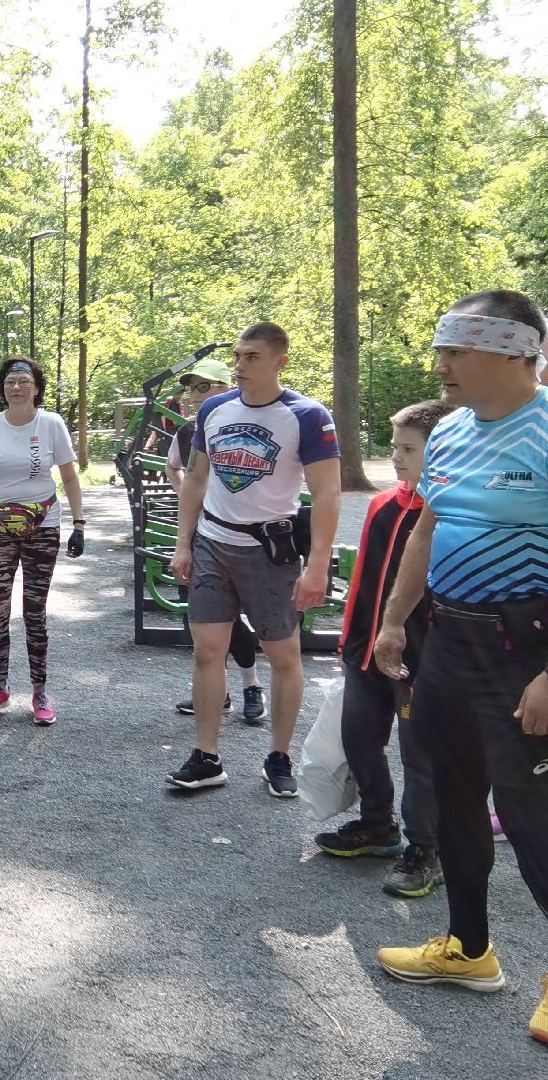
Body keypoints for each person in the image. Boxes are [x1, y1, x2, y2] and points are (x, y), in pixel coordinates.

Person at [371, 291, 548, 1045]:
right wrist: (393, 621)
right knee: (452, 800)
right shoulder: (447, 436)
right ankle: (470, 950)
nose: (440, 364)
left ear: (513, 351)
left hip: (528, 651)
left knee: (535, 817)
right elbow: (426, 530)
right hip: (450, 641)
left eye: (456, 349)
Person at [166, 321, 342, 796]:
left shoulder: (307, 416)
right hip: (211, 544)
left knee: (283, 654)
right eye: (239, 357)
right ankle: (208, 757)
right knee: (207, 650)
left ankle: (278, 756)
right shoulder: (215, 410)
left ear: (279, 361)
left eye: (251, 357)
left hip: (270, 551)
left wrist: (318, 565)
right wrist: (184, 543)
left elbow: (327, 492)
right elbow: (197, 481)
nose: (240, 366)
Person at [313, 399, 454, 897]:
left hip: (420, 662)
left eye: (409, 449)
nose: (397, 457)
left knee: (421, 758)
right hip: (365, 651)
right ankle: (378, 826)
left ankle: (427, 850)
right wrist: (350, 640)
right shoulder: (383, 504)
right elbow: (363, 583)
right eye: (394, 447)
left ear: (442, 451)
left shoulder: (455, 513)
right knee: (359, 738)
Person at [0, 356, 86, 725]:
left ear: (36, 387)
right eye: (9, 382)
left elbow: (68, 476)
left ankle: (39, 691)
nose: (15, 387)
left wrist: (79, 525)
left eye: (23, 381)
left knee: (34, 613)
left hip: (42, 527)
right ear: (2, 389)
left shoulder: (51, 424)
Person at [165, 357, 266, 724]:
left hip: (245, 537)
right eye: (193, 388)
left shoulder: (255, 424)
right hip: (201, 531)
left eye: (205, 387)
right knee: (205, 615)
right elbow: (175, 467)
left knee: (241, 616)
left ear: (230, 387)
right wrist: (187, 497)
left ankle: (251, 685)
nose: (196, 395)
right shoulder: (187, 432)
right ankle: (216, 692)